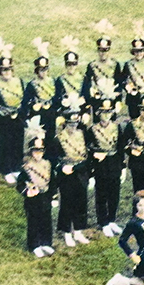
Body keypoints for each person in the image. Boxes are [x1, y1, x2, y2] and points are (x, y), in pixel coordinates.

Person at [50, 106, 91, 248]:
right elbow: (53, 159)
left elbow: (88, 154)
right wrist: (61, 168)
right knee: (67, 203)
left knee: (82, 202)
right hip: (66, 174)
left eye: (75, 124)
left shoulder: (83, 134)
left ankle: (78, 230)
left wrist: (88, 172)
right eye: (70, 124)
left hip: (81, 171)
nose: (73, 127)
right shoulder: (58, 139)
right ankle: (67, 232)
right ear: (65, 123)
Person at [85, 99, 126, 237]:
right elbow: (88, 149)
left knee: (114, 193)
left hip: (114, 162)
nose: (106, 115)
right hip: (100, 165)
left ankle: (112, 219)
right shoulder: (92, 129)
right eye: (103, 112)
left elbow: (121, 147)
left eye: (108, 112)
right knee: (102, 194)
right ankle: (103, 222)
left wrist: (123, 166)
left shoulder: (116, 127)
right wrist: (91, 170)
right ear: (98, 114)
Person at [0, 37, 24, 184]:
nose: (6, 72)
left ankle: (16, 166)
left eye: (8, 69)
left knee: (18, 142)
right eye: (3, 70)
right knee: (5, 144)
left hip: (18, 118)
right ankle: (6, 169)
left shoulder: (19, 82)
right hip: (3, 120)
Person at [16, 137, 55, 257]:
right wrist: (26, 192)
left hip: (46, 197)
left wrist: (54, 197)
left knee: (46, 220)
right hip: (33, 199)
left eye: (41, 151)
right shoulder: (27, 167)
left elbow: (53, 182)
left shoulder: (47, 164)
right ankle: (34, 245)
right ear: (31, 152)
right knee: (34, 222)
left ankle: (46, 242)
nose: (38, 154)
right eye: (35, 151)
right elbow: (20, 184)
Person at [118, 23, 144, 120]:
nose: (139, 53)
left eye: (141, 51)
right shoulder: (128, 64)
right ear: (133, 52)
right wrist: (127, 87)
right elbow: (122, 79)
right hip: (133, 98)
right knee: (134, 121)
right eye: (136, 51)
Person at [21, 39, 58, 147]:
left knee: (51, 139)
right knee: (38, 142)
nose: (43, 72)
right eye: (41, 70)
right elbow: (25, 103)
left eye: (45, 69)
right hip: (38, 116)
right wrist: (33, 106)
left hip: (50, 115)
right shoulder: (32, 85)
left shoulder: (53, 82)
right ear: (37, 70)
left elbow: (57, 99)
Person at [83, 19, 122, 115]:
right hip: (97, 99)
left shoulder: (115, 64)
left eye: (105, 50)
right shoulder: (92, 65)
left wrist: (118, 100)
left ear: (109, 51)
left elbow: (119, 83)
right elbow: (87, 83)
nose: (103, 53)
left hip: (111, 98)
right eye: (100, 50)